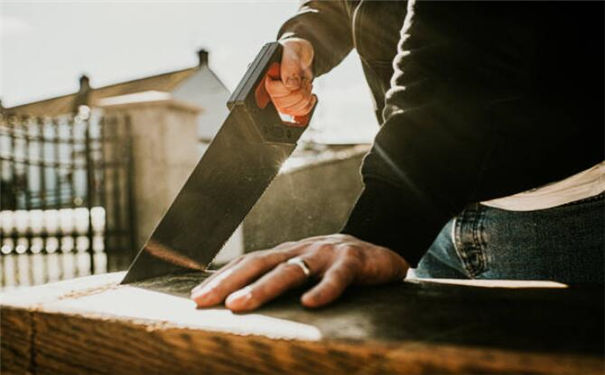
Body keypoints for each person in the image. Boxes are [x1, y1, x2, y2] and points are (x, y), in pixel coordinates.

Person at [191, 1, 604, 312]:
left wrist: (383, 225)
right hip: (431, 219)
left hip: (562, 217)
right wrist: (304, 36)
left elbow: (463, 44)